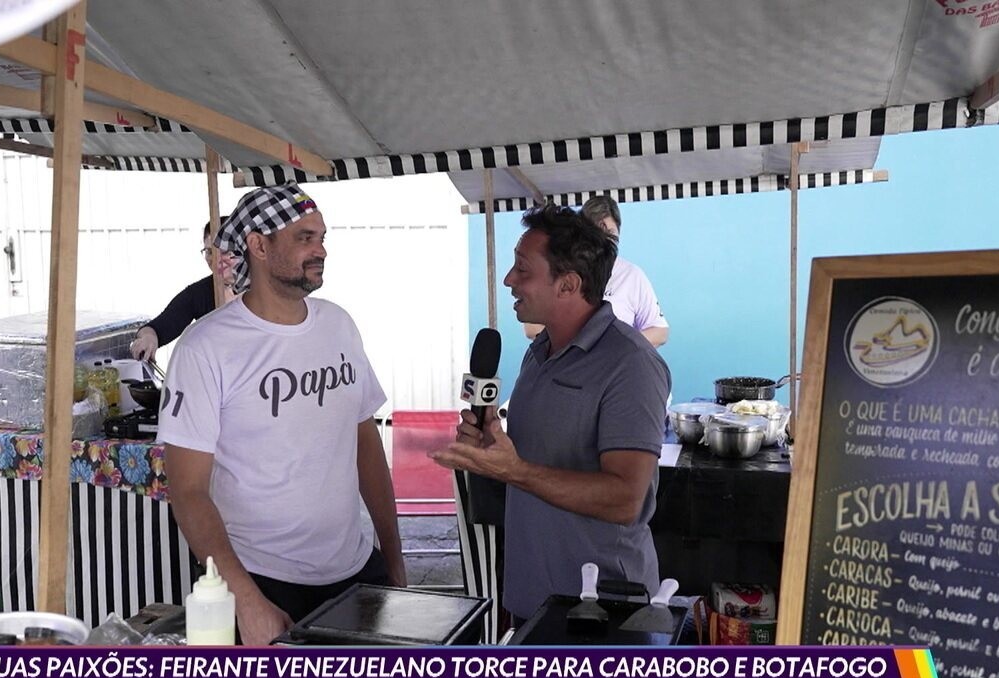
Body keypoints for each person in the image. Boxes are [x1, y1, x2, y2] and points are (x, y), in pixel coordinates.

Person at [157, 184, 405, 645]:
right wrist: (244, 601)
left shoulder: (339, 325)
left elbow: (366, 447)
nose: (321, 250)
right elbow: (188, 491)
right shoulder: (205, 347)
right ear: (259, 245)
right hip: (262, 582)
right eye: (305, 237)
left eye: (322, 237)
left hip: (355, 571)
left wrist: (393, 559)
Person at [431, 205, 671, 624]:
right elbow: (536, 457)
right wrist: (493, 447)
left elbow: (625, 499)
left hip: (602, 610)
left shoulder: (631, 364)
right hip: (530, 599)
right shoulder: (538, 352)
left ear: (568, 285)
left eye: (523, 269)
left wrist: (515, 470)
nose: (508, 279)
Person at [522, 195, 669, 348]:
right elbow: (532, 327)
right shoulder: (562, 270)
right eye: (596, 232)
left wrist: (622, 347)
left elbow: (659, 331)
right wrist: (574, 347)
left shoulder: (632, 276)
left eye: (610, 232)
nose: (603, 240)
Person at [129, 217, 234, 362]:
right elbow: (163, 325)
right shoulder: (199, 293)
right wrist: (149, 337)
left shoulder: (261, 288)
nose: (216, 259)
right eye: (209, 252)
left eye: (224, 251)